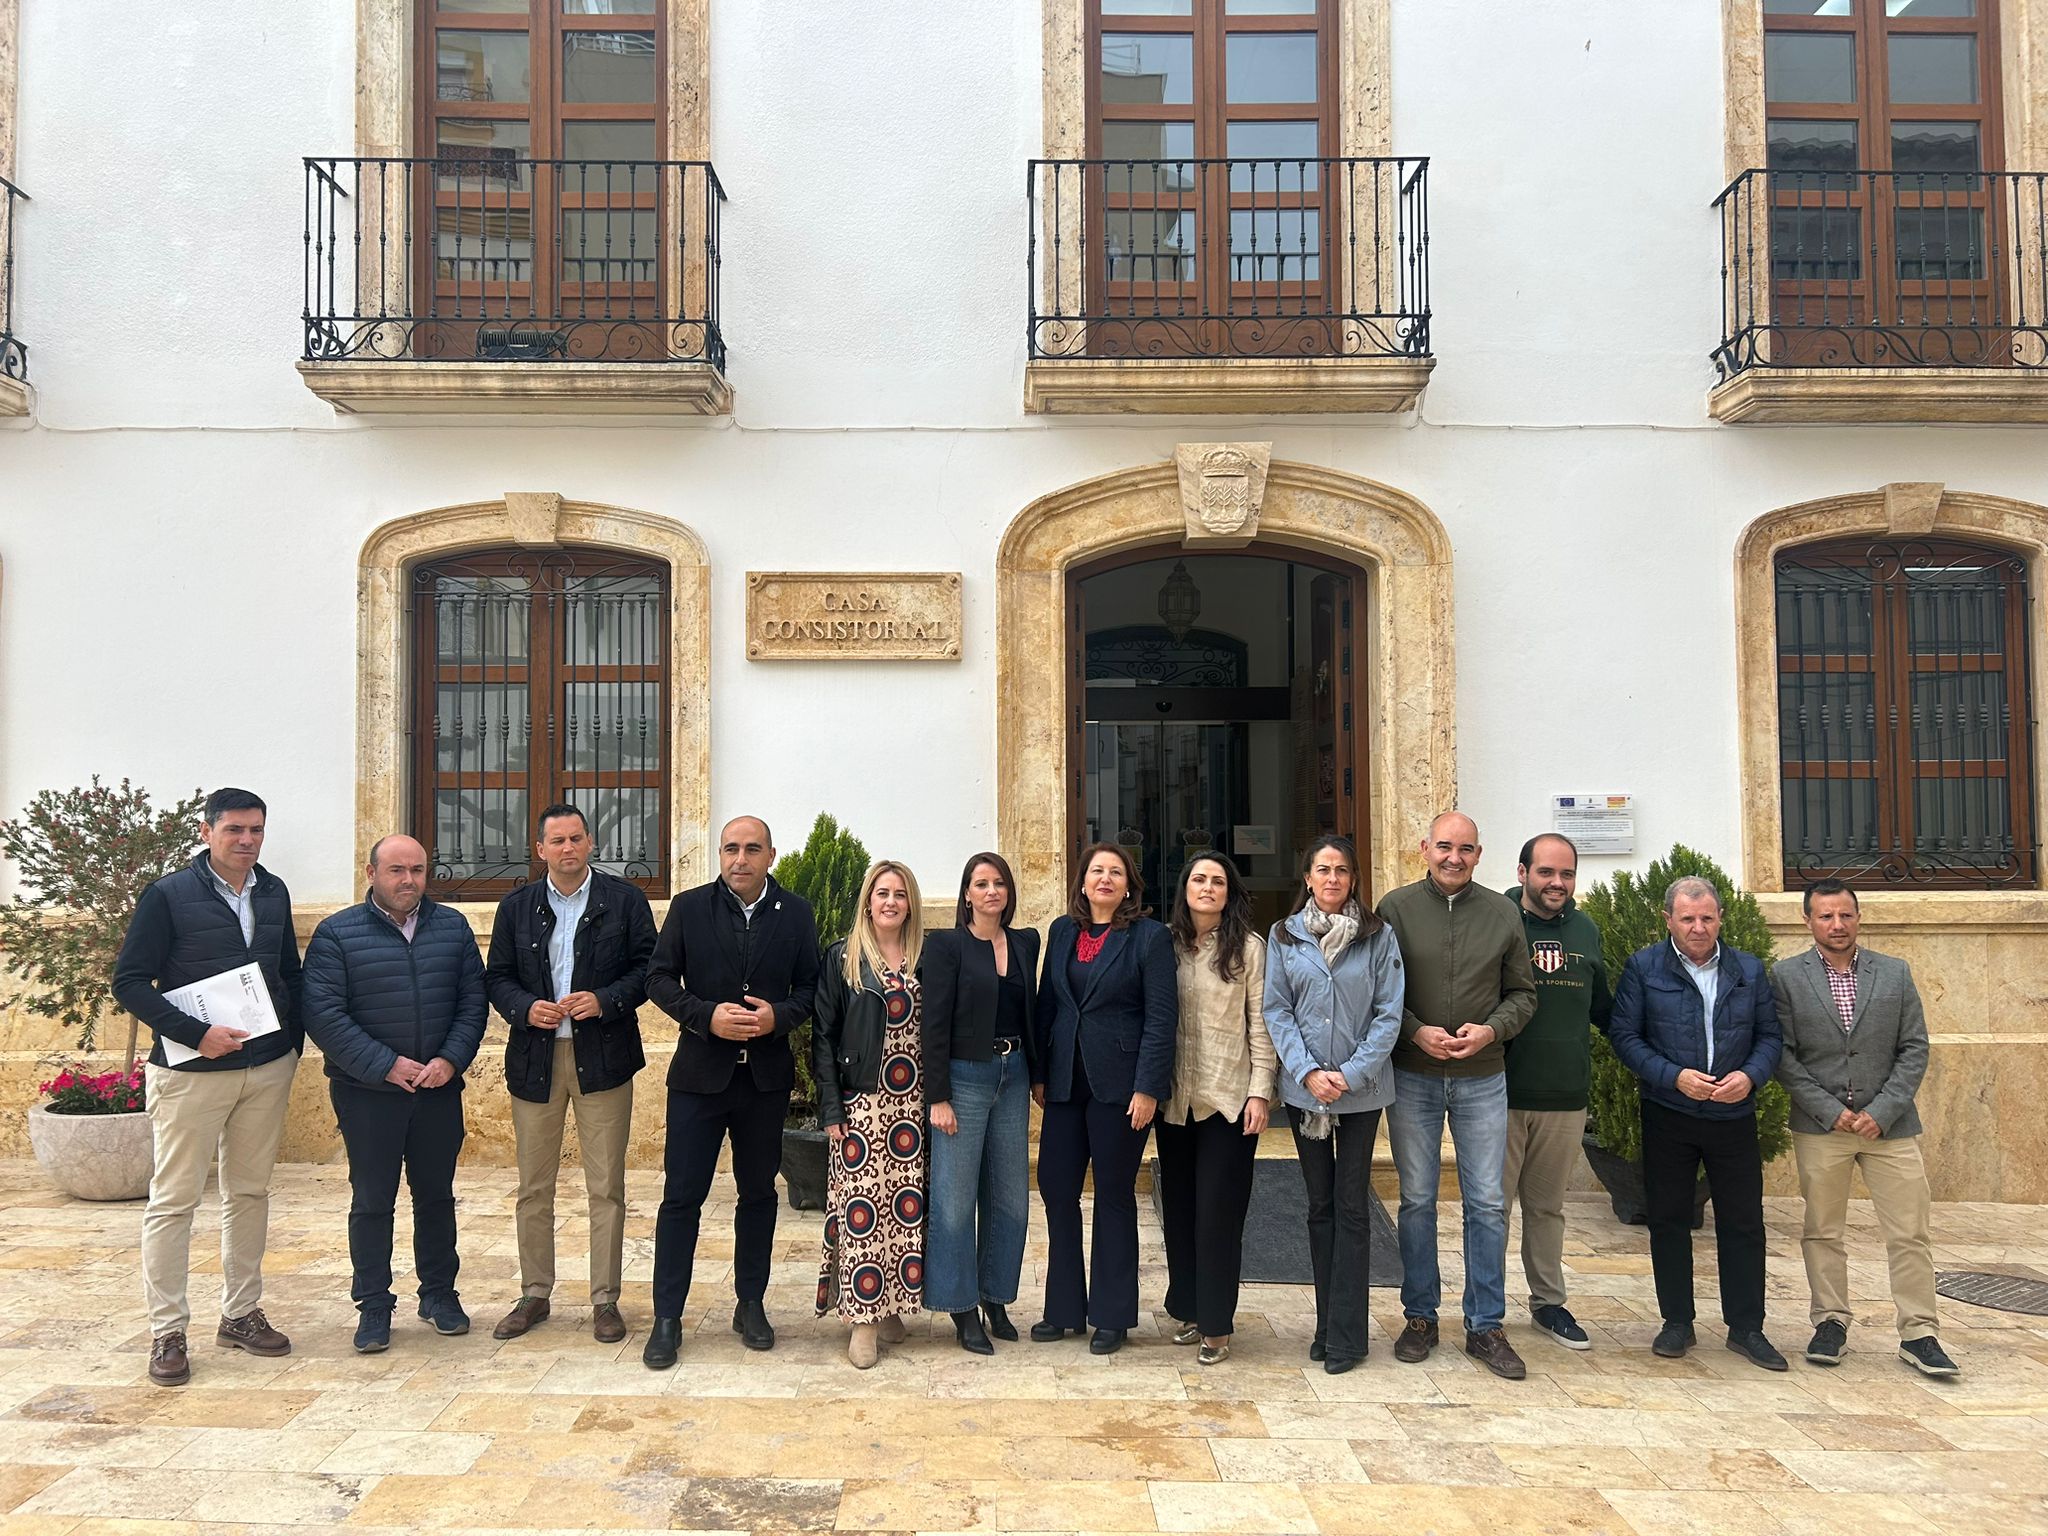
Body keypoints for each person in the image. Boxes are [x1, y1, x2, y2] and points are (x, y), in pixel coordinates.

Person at [113, 788, 303, 1387]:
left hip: (265, 1069)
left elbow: (286, 975)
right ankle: (166, 1331)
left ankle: (241, 1314)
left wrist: (291, 1044)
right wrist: (196, 1033)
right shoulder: (167, 896)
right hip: (190, 1074)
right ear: (207, 831)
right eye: (235, 830)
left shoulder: (273, 892)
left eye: (257, 830)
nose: (247, 841)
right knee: (175, 1201)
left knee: (249, 1194)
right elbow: (130, 982)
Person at [641, 816, 821, 1369]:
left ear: (771, 854)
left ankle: (751, 1303)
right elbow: (657, 978)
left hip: (764, 1083)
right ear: (719, 855)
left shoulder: (796, 913)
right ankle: (667, 1316)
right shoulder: (691, 908)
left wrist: (777, 1018)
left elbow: (812, 989)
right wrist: (704, 1017)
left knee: (759, 1195)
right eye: (730, 849)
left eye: (751, 849)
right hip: (699, 1080)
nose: (739, 859)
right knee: (682, 1198)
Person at [302, 833, 488, 1354]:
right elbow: (323, 1014)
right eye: (396, 871)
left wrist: (448, 1061)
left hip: (436, 1090)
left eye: (418, 870)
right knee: (372, 1200)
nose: (409, 881)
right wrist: (386, 1066)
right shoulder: (336, 934)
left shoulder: (451, 927)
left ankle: (438, 1295)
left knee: (435, 1197)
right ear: (371, 872)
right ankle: (375, 1305)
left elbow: (472, 1003)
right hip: (366, 1094)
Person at [484, 803, 657, 1346]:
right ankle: (535, 1293)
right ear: (540, 849)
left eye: (576, 838)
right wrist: (523, 1007)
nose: (567, 848)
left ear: (590, 843)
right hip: (536, 1059)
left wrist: (606, 1000)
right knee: (534, 1187)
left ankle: (606, 1299)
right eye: (556, 840)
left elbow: (649, 971)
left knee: (606, 1186)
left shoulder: (624, 901)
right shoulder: (516, 907)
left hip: (603, 1060)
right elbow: (497, 978)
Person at [1770, 878, 1957, 1377]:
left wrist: (1884, 1110)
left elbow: (1914, 1046)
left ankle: (1920, 1333)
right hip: (1821, 1126)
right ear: (1807, 921)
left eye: (1845, 915)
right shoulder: (1785, 977)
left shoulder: (1894, 973)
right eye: (1826, 916)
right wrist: (1829, 1110)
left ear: (1858, 917)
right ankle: (1830, 1321)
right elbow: (1782, 1054)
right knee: (1822, 1230)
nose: (1837, 924)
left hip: (1889, 1129)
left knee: (1910, 1232)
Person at [1377, 812, 1536, 1380]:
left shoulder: (1503, 912)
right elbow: (1378, 989)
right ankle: (1420, 1317)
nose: (1454, 857)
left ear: (1479, 854)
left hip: (1482, 1076)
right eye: (1444, 846)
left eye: (1465, 849)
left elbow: (1522, 993)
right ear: (1424, 848)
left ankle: (1486, 1325)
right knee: (1417, 1200)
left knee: (1487, 1204)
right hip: (1413, 1076)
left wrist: (1491, 1030)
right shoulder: (1394, 909)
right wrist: (1414, 1029)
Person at [1608, 875, 1786, 1371]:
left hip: (1733, 1114)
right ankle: (1677, 1322)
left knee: (1744, 1223)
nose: (1698, 927)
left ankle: (1747, 1327)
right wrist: (1673, 1077)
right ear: (1668, 920)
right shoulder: (1644, 967)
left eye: (1707, 918)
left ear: (1720, 919)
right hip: (1671, 1111)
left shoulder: (1748, 970)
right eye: (1687, 918)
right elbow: (1625, 1036)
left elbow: (1771, 1037)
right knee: (1668, 1219)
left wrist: (1749, 1078)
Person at [1263, 836, 1403, 1374]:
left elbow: (1389, 1013)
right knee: (1318, 1206)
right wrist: (1307, 1072)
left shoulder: (1377, 937)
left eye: (1341, 871)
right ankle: (1323, 1325)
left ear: (1353, 880)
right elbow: (1277, 1010)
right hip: (1305, 1093)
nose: (1331, 880)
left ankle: (1348, 1335)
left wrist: (1349, 1074)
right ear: (1308, 878)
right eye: (1322, 870)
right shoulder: (1284, 937)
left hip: (1361, 1093)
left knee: (1352, 1204)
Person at [1031, 841, 1177, 1355]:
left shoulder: (1150, 938)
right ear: (1083, 881)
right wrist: (1041, 1074)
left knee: (1114, 1196)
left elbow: (1162, 1019)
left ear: (1130, 884)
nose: (1106, 880)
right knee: (1056, 1188)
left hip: (1121, 1089)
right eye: (1097, 871)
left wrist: (1148, 1088)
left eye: (1116, 872)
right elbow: (1049, 1004)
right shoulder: (1063, 931)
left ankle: (1112, 1315)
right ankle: (1064, 1309)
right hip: (1066, 1082)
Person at [1156, 852, 1275, 1367]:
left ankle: (1218, 1326)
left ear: (1229, 893)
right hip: (1174, 1100)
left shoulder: (1249, 948)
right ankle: (1189, 1309)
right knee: (1179, 1210)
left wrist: (1260, 1092)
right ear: (1185, 888)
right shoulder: (1164, 945)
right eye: (1199, 879)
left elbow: (1261, 1024)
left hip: (1228, 1099)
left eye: (1218, 881)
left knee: (1218, 1215)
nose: (1207, 888)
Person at [920, 852, 1039, 1355]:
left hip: (1014, 1076)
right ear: (966, 893)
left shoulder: (1026, 942)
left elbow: (1036, 1013)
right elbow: (934, 1023)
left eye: (999, 883)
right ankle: (961, 1307)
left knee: (1010, 1196)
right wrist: (938, 1095)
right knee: (954, 1199)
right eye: (980, 883)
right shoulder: (946, 946)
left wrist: (1040, 1080)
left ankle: (995, 1297)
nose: (991, 891)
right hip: (965, 1079)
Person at [813, 860, 928, 1368]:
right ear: (867, 900)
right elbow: (823, 1036)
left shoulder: (926, 957)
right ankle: (861, 1321)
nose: (890, 902)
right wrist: (832, 1106)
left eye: (900, 894)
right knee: (861, 1212)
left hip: (915, 1108)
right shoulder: (845, 958)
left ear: (910, 903)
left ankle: (890, 1308)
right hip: (863, 1102)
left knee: (904, 1213)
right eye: (882, 893)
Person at [1502, 833, 1612, 1352]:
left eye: (1566, 874)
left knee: (1546, 1209)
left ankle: (1548, 1302)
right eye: (1546, 872)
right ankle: (1486, 1306)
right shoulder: (1494, 917)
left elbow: (1605, 1009)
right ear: (1522, 872)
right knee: (1491, 1208)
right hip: (1496, 1094)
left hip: (1565, 1096)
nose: (1557, 883)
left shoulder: (1586, 929)